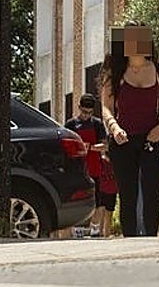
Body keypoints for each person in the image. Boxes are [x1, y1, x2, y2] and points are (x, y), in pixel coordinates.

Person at [98, 24, 159, 236]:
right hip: (123, 141)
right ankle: (130, 238)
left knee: (151, 190)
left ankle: (150, 237)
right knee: (127, 194)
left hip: (152, 139)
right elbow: (106, 108)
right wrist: (114, 128)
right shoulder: (115, 72)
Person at [65, 94, 115, 237]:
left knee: (98, 201)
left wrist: (90, 147)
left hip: (95, 168)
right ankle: (75, 228)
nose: (86, 115)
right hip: (77, 169)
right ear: (79, 108)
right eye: (84, 112)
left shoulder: (97, 124)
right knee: (75, 199)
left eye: (89, 112)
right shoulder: (71, 125)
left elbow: (105, 145)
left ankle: (95, 227)